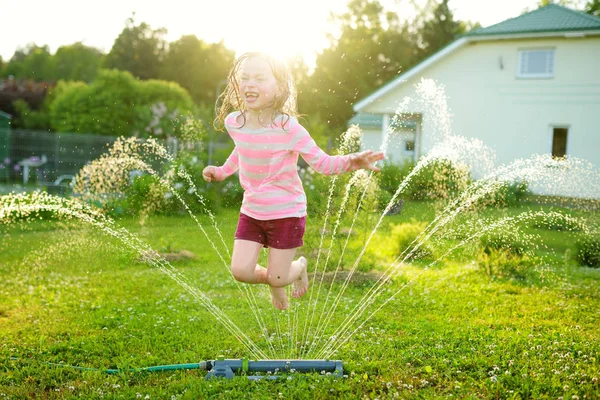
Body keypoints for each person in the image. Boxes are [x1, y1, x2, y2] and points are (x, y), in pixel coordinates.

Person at [202, 52, 384, 310]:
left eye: (260, 78)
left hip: (286, 212)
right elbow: (243, 149)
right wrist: (222, 171)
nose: (250, 84)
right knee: (241, 271)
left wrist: (353, 161)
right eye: (245, 78)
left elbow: (322, 163)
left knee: (279, 275)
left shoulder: (289, 128)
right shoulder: (235, 123)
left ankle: (297, 268)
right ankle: (276, 283)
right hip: (252, 211)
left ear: (279, 88)